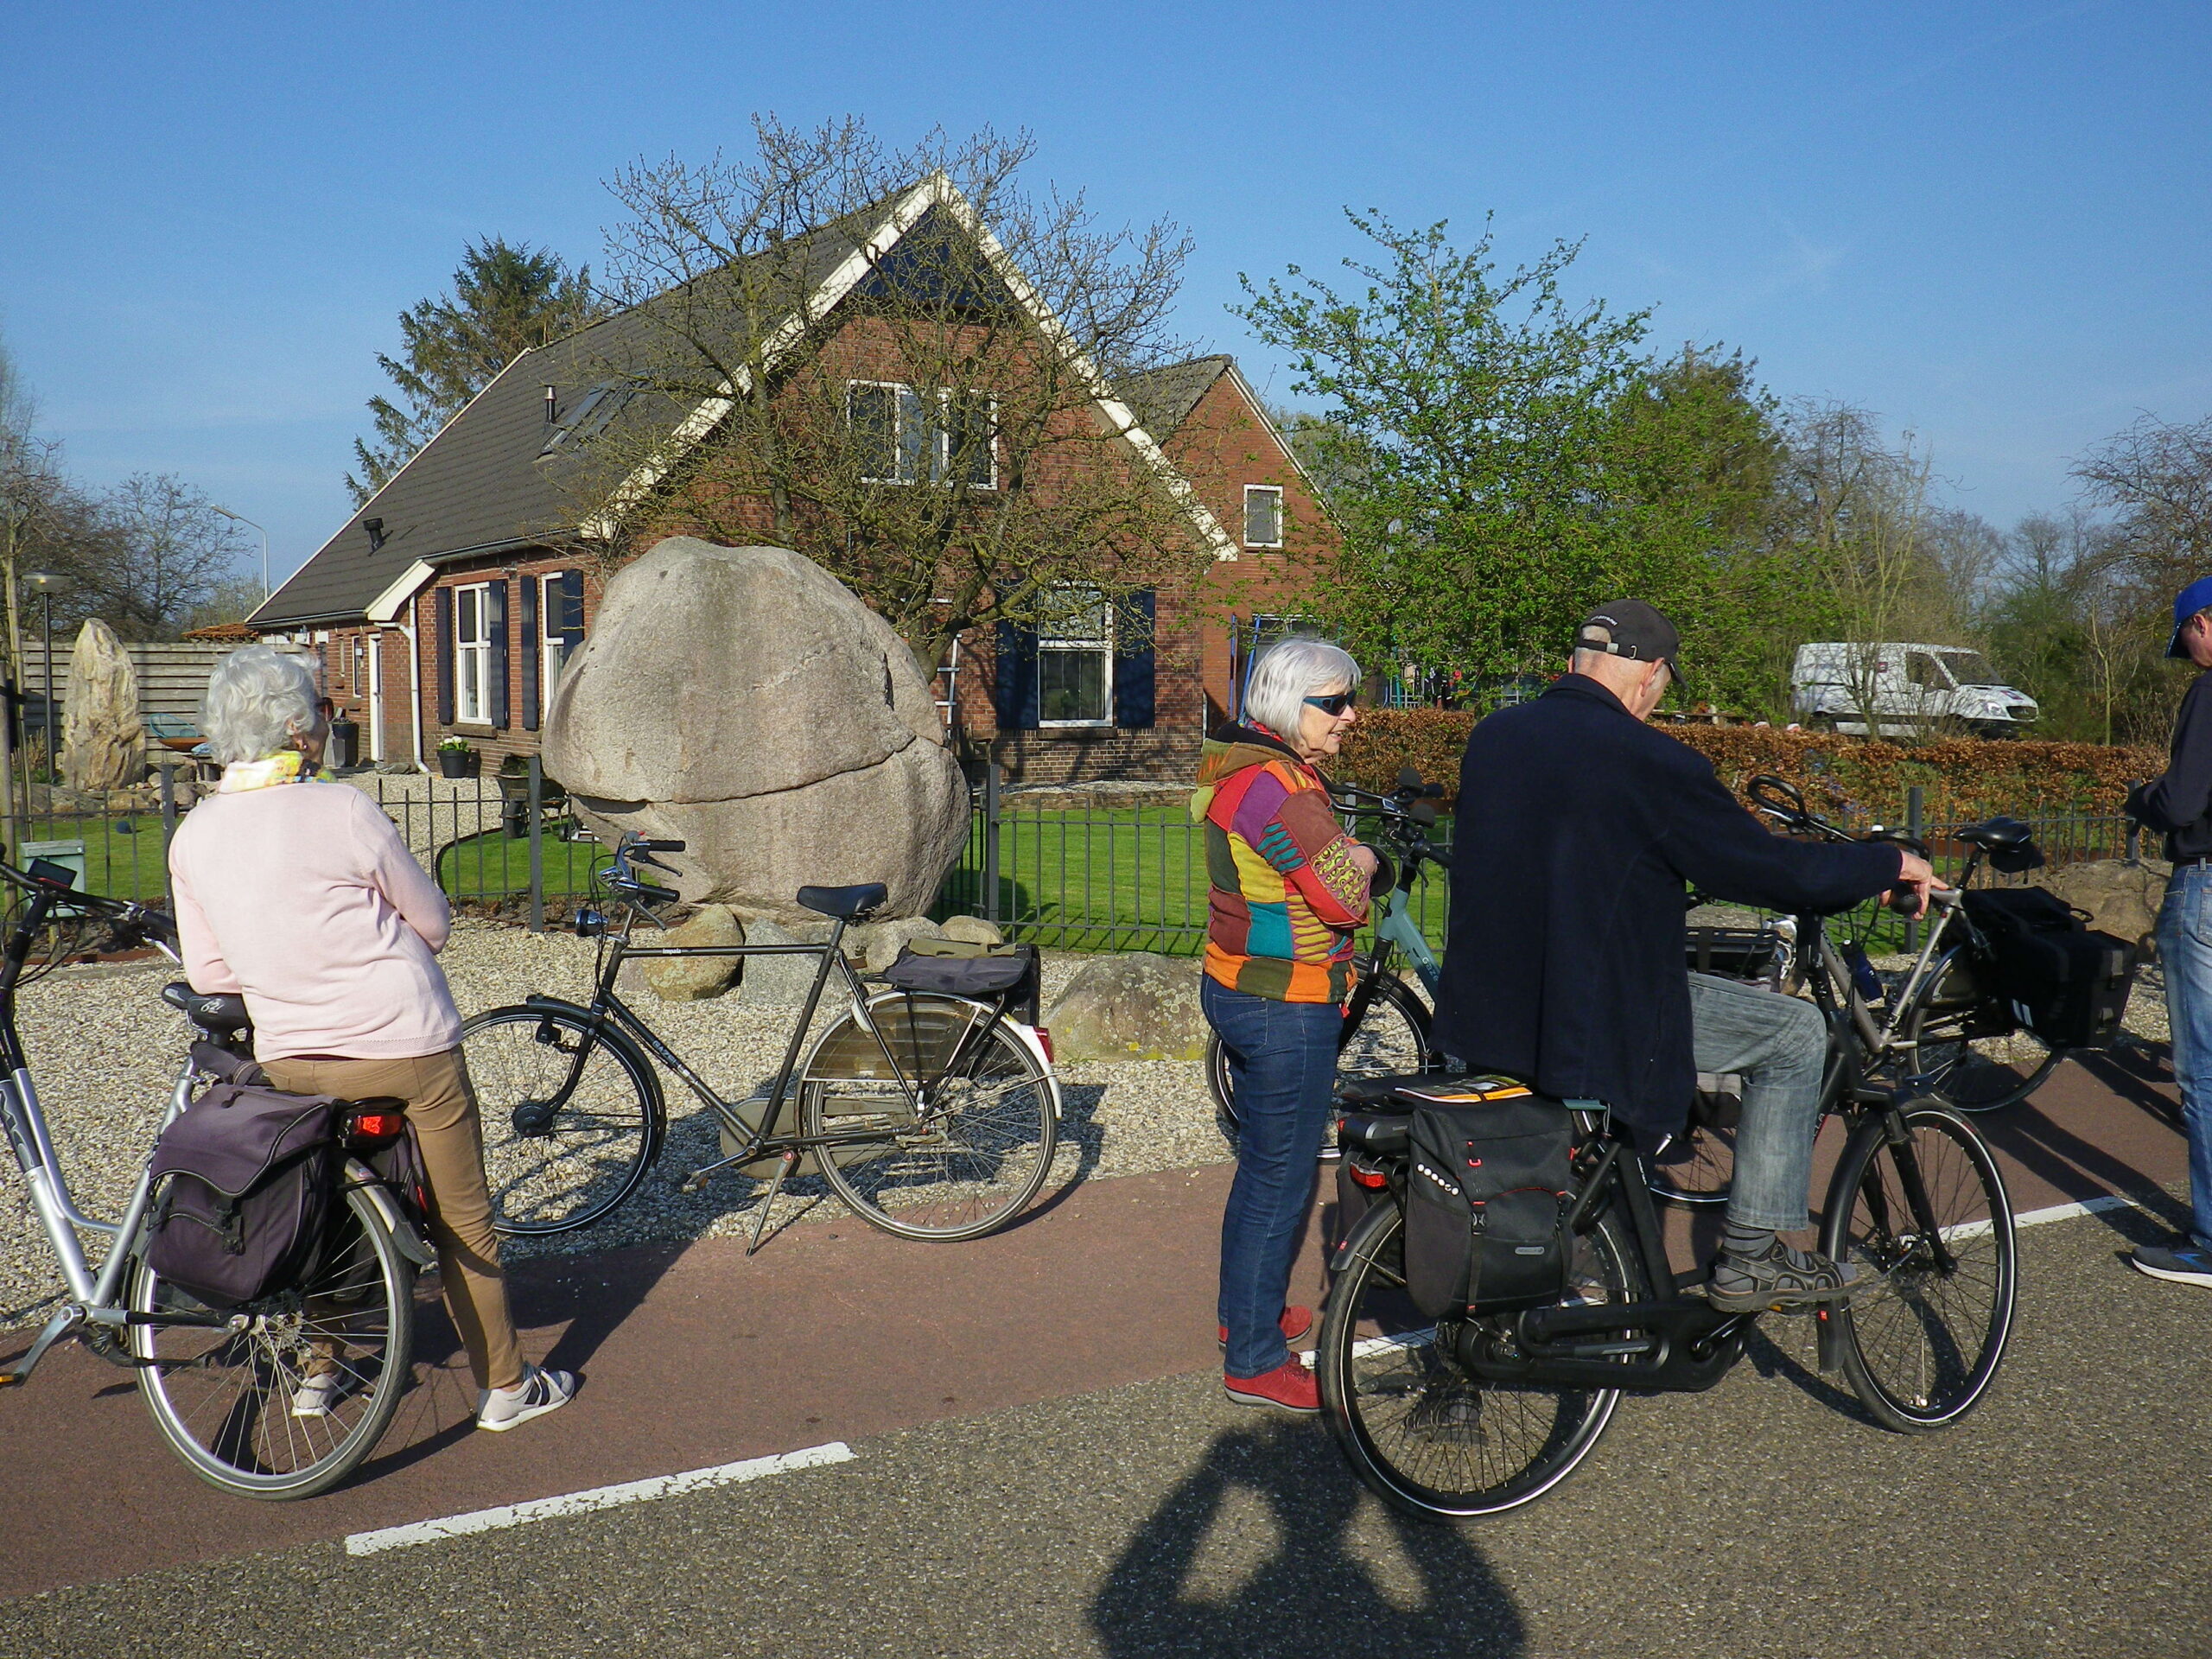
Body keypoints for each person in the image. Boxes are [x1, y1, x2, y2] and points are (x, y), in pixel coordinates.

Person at [1433, 602, 1936, 1310]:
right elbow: (1769, 870)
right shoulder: (1650, 760)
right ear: (1650, 674)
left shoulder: (1496, 735)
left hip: (1491, 1009)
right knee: (1796, 1033)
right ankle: (1752, 1257)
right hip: (1592, 1014)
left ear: (1578, 662)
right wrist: (1884, 863)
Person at [167, 645, 575, 1430]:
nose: (329, 724)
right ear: (297, 730)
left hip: (293, 1059)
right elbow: (433, 921)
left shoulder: (195, 835)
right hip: (405, 1046)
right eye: (322, 712)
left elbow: (211, 972)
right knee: (462, 1218)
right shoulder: (343, 810)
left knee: (318, 1207)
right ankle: (505, 1387)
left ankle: (318, 1374)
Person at [1196, 637, 1378, 1410]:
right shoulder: (1282, 790)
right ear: (1287, 704)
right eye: (1333, 702)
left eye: (1350, 700)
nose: (1350, 715)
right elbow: (1345, 899)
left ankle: (1246, 1316)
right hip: (1285, 1003)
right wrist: (1365, 859)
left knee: (1262, 1168)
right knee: (1282, 1177)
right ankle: (1256, 1361)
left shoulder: (1239, 767)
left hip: (1238, 986)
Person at [2122, 575, 2212, 1288]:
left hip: (2206, 884)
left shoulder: (2210, 692)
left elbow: (2182, 802)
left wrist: (2140, 798)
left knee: (2204, 1070)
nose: (2188, 650)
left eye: (2186, 635)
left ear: (2202, 623)